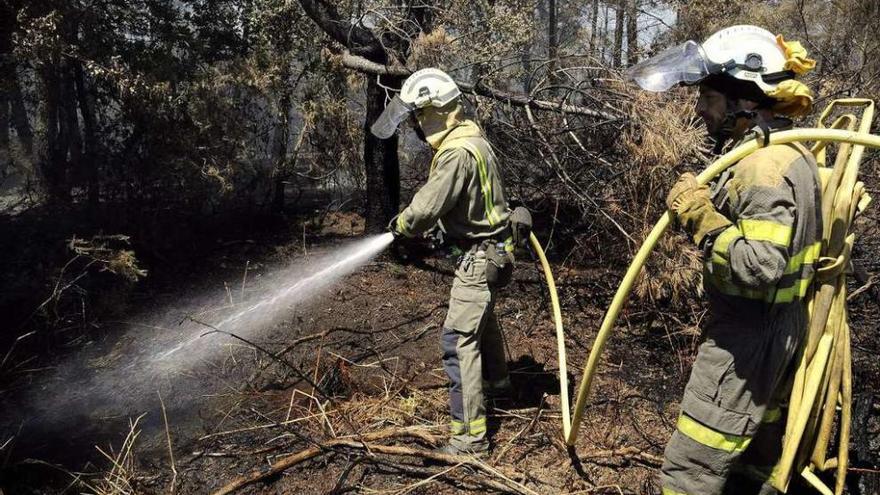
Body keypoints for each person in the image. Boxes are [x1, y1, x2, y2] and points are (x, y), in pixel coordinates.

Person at [627, 25, 821, 494]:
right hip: (779, 329)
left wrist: (698, 216)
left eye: (709, 97)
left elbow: (760, 266)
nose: (699, 109)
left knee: (690, 467)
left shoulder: (762, 167)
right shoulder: (787, 152)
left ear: (744, 101)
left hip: (747, 338)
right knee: (756, 462)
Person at [371, 68, 514, 455]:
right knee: (482, 323)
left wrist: (400, 226)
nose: (417, 125)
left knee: (457, 340)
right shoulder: (473, 137)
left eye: (418, 116)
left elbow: (424, 210)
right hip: (496, 253)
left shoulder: (454, 153)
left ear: (435, 111)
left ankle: (468, 439)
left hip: (479, 258)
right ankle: (499, 384)